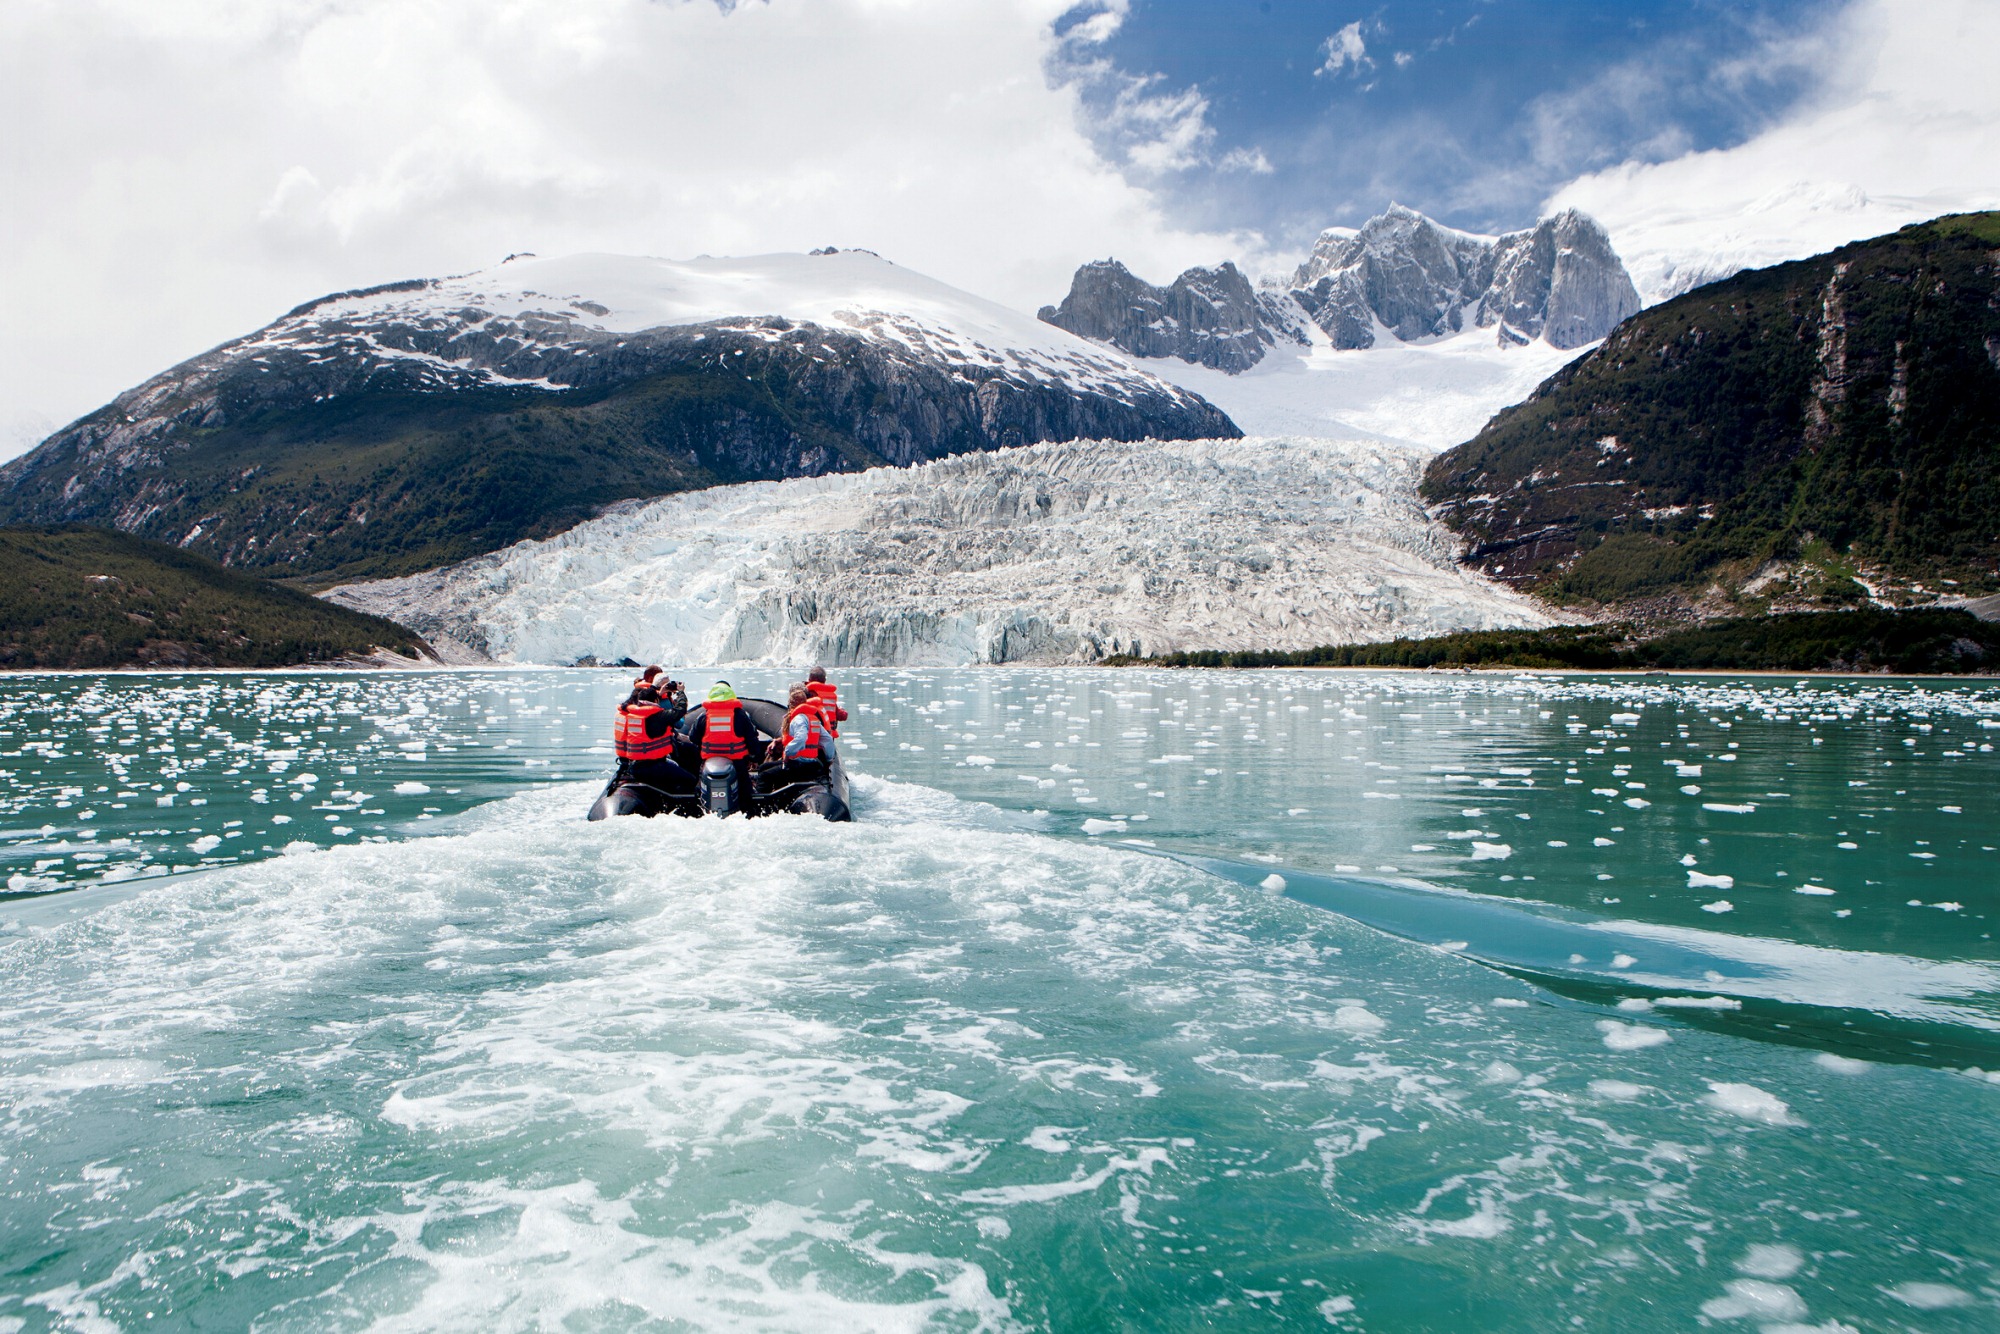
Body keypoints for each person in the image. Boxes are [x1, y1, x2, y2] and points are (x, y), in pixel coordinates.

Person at [612, 672, 691, 790]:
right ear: (655, 700)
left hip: (634, 765)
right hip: (652, 766)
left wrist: (658, 691)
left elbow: (643, 698)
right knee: (690, 780)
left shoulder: (632, 714)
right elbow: (679, 711)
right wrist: (681, 692)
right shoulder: (657, 717)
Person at [691, 681, 759, 807]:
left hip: (710, 762)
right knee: (746, 792)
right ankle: (749, 810)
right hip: (736, 762)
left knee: (699, 788)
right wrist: (754, 757)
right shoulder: (740, 715)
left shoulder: (704, 716)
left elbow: (693, 738)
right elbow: (752, 739)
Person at [766, 683, 830, 788]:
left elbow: (802, 738)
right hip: (810, 758)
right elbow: (826, 739)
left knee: (765, 773)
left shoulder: (800, 718)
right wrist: (779, 741)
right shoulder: (811, 714)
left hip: (800, 760)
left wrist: (788, 752)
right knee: (769, 766)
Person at [805, 665, 848, 737]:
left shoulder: (808, 693)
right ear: (824, 680)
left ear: (809, 680)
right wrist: (844, 712)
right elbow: (841, 715)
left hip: (813, 734)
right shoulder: (830, 696)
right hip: (829, 734)